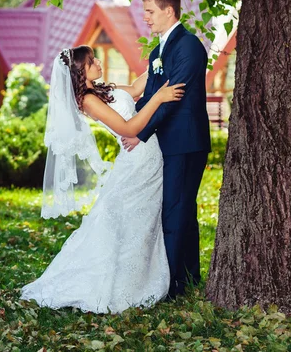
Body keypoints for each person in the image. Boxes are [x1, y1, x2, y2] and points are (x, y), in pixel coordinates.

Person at [20, 45, 185, 313]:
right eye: (91, 60)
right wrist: (160, 98)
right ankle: (119, 286)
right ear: (80, 70)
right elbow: (129, 128)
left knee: (137, 223)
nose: (98, 62)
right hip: (137, 162)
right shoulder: (88, 100)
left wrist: (158, 59)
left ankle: (135, 279)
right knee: (124, 222)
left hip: (148, 160)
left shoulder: (101, 90)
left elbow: (133, 89)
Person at [122, 0, 211, 298]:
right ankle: (186, 279)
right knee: (182, 210)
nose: (145, 17)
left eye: (149, 11)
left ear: (168, 11)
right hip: (171, 142)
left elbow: (172, 98)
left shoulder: (188, 46)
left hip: (186, 142)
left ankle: (171, 286)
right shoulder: (158, 50)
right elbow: (150, 95)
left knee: (175, 211)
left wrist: (139, 133)